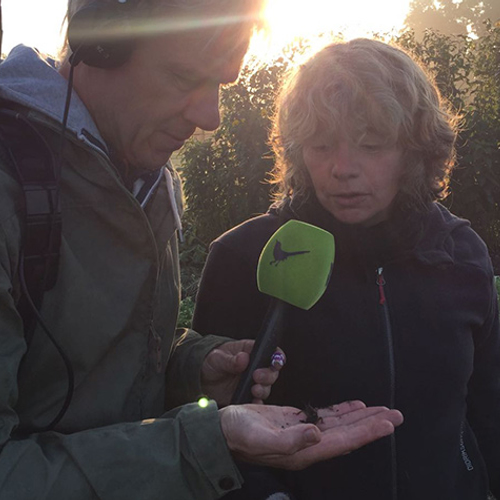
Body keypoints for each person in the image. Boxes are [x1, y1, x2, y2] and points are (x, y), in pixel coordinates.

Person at [0, 2, 404, 499]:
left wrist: (191, 368)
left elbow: (96, 377)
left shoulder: (146, 177)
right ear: (101, 41)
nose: (210, 117)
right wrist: (202, 446)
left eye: (221, 84)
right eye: (183, 77)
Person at [193, 38, 500, 499]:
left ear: (416, 150)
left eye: (371, 145)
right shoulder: (242, 256)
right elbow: (204, 423)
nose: (342, 168)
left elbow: (488, 404)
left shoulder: (462, 254)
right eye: (320, 145)